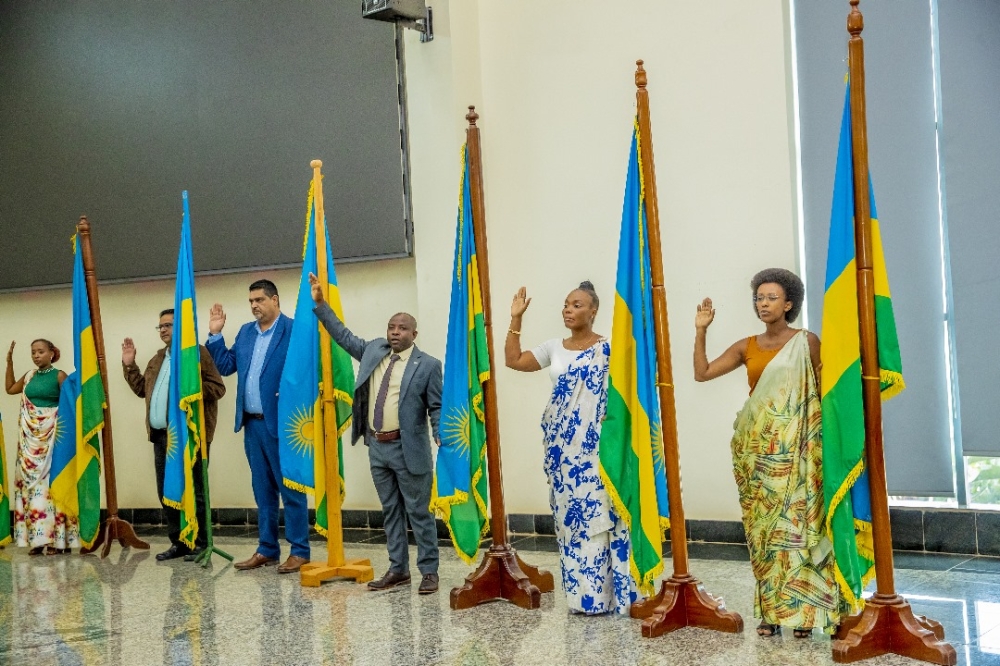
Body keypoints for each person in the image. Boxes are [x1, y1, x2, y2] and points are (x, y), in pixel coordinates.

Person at [693, 268, 839, 637]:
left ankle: (806, 615)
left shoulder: (807, 342)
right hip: (757, 454)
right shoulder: (747, 346)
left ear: (789, 303)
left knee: (802, 529)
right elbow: (703, 373)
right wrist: (701, 330)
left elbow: (819, 394)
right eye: (759, 298)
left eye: (771, 297)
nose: (763, 303)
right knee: (765, 534)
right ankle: (772, 614)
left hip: (800, 451)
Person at [505, 282, 637, 615]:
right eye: (565, 304)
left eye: (577, 305)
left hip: (596, 450)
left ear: (593, 311)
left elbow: (623, 396)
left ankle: (615, 595)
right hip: (562, 452)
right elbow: (514, 361)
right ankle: (583, 599)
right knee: (571, 521)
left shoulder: (609, 349)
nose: (568, 310)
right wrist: (515, 319)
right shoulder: (554, 347)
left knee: (600, 515)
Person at [308, 272, 443, 595]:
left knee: (419, 513)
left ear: (414, 333)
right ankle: (398, 569)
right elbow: (343, 336)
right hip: (377, 448)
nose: (395, 333)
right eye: (391, 327)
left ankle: (429, 571)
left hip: (408, 449)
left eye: (402, 328)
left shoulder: (427, 365)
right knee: (390, 511)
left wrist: (440, 433)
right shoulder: (372, 350)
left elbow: (436, 406)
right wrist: (321, 305)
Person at [205, 279, 309, 573]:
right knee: (262, 491)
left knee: (291, 489)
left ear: (275, 300)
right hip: (252, 425)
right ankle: (267, 549)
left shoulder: (293, 331)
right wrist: (215, 335)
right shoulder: (246, 333)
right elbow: (226, 366)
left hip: (284, 425)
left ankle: (300, 550)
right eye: (251, 301)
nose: (254, 306)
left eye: (259, 300)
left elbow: (304, 373)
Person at [122, 308, 226, 562]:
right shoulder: (158, 358)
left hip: (190, 435)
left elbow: (217, 388)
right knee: (167, 490)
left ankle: (200, 543)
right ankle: (179, 542)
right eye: (161, 326)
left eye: (169, 325)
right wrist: (129, 365)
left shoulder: (197, 353)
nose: (164, 330)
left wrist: (190, 386)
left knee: (195, 491)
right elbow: (141, 390)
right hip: (160, 436)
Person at [4, 339, 75, 555]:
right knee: (31, 490)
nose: (36, 355)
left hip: (51, 439)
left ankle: (56, 540)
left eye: (41, 351)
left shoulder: (60, 375)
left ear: (52, 353)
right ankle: (36, 540)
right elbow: (9, 389)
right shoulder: (29, 376)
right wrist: (9, 363)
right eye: (33, 352)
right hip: (29, 443)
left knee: (49, 487)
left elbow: (69, 405)